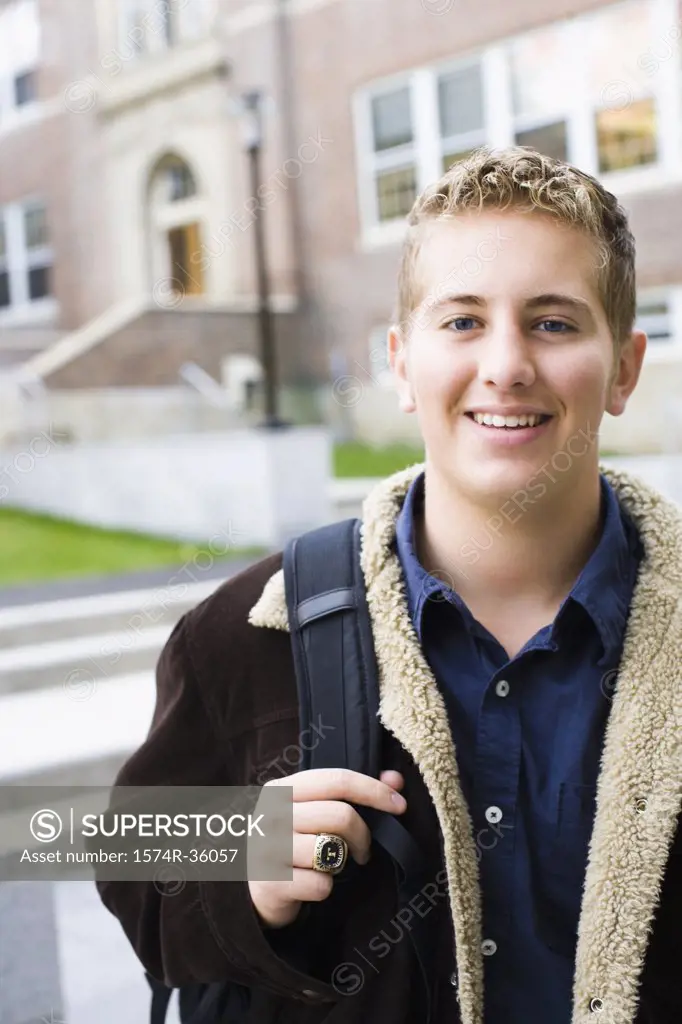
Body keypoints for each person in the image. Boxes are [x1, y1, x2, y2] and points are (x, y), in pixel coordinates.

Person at [96, 147, 682, 1024]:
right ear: (402, 363)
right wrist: (241, 864)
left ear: (626, 366)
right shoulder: (243, 632)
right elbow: (115, 853)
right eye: (463, 323)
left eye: (554, 323)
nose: (507, 364)